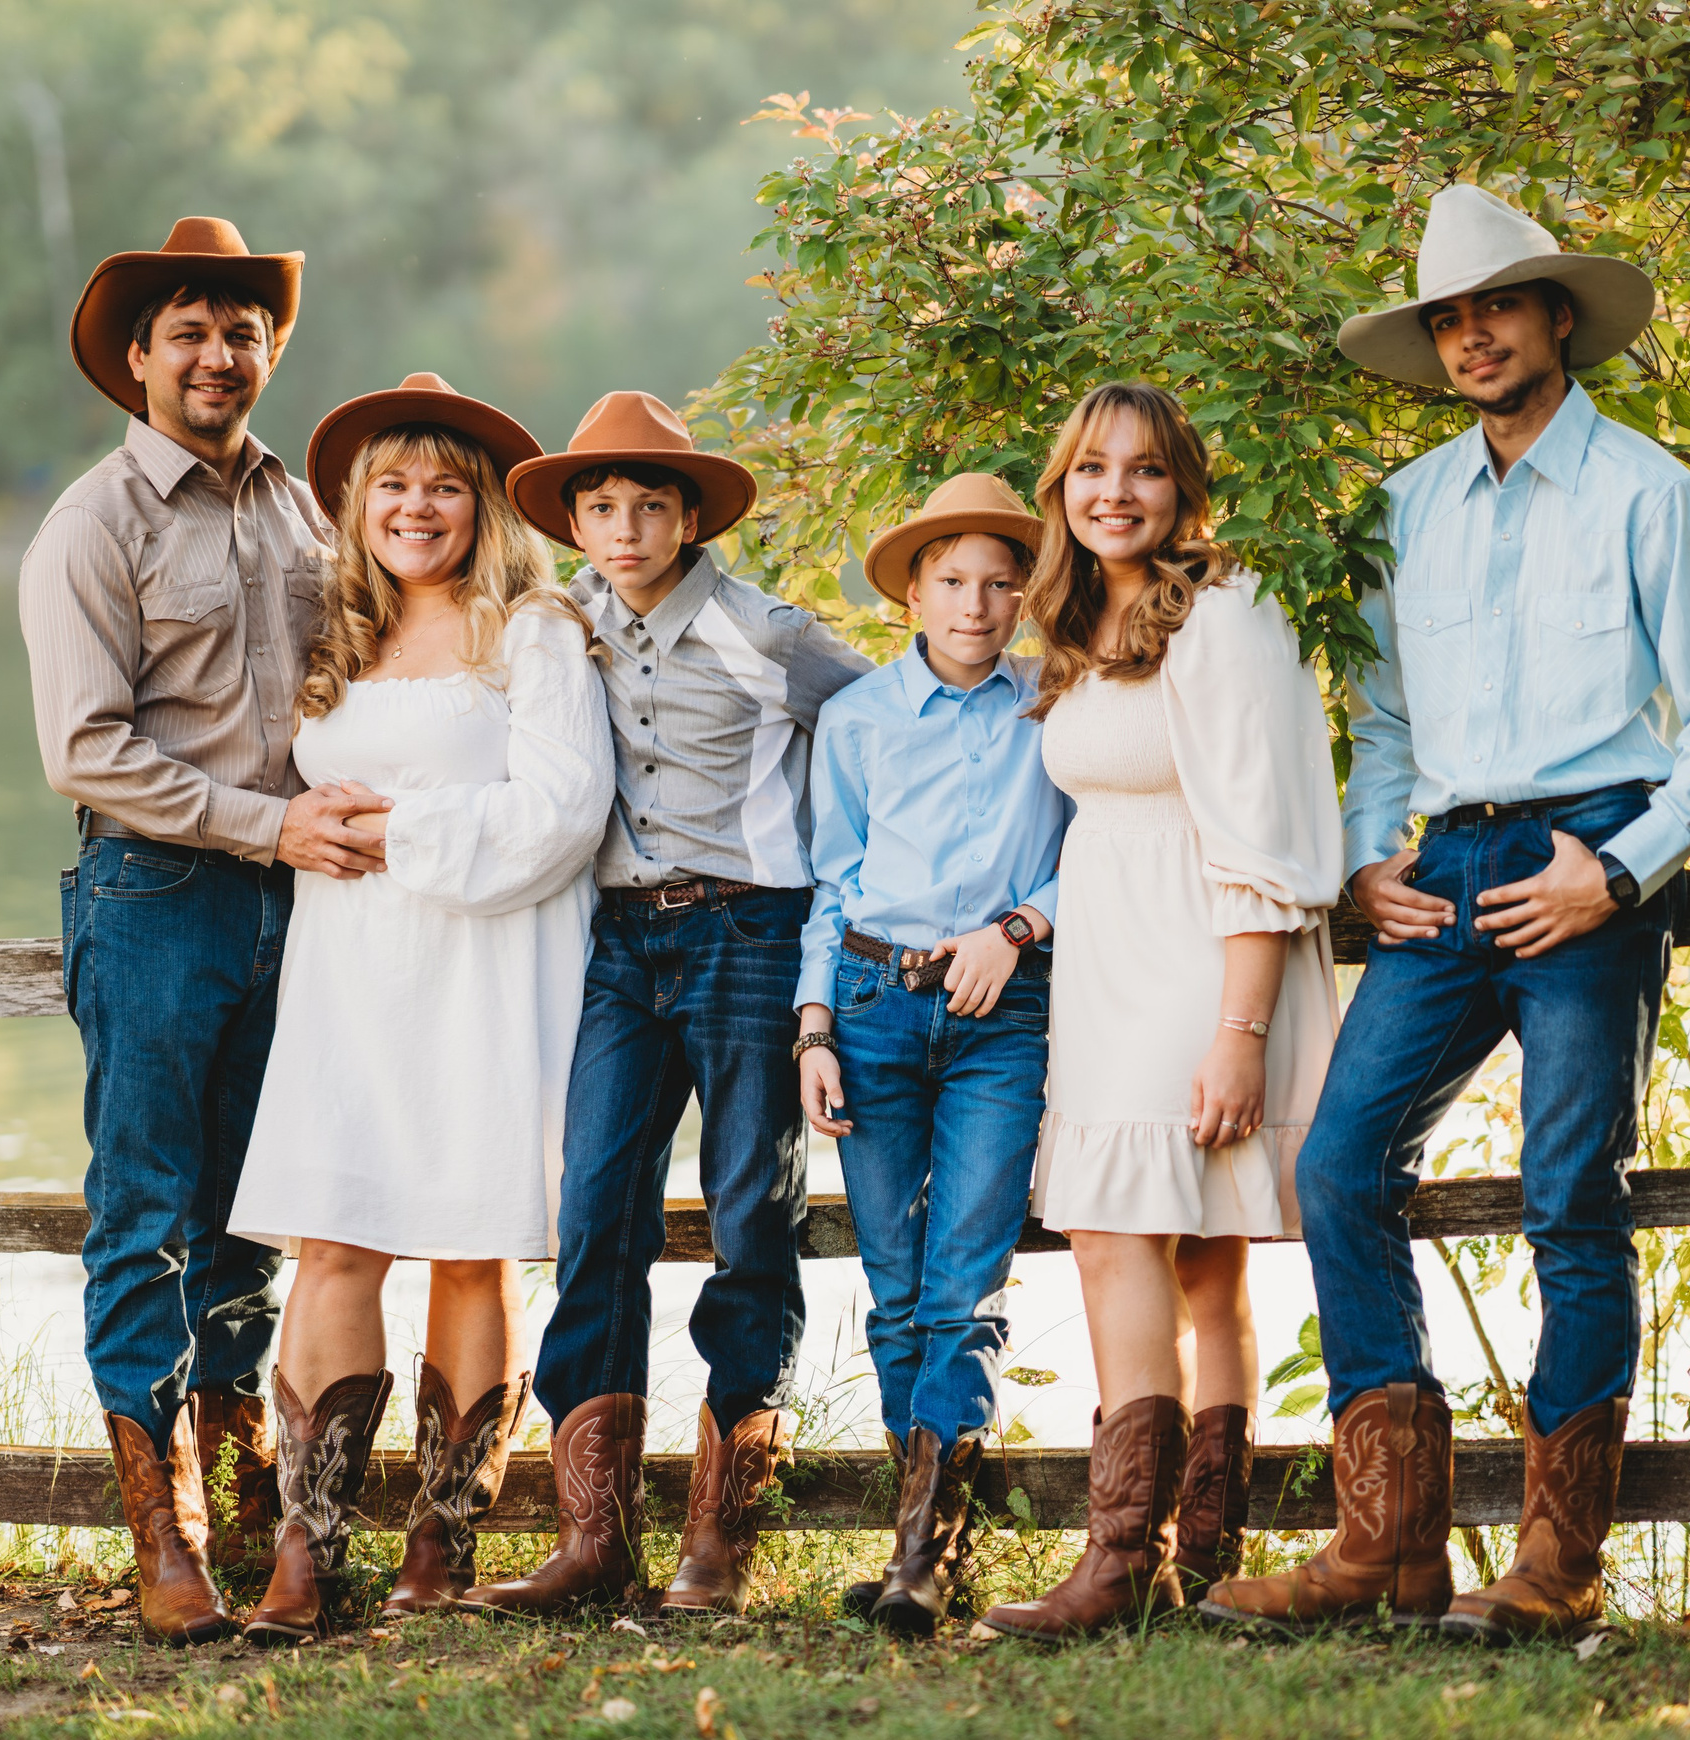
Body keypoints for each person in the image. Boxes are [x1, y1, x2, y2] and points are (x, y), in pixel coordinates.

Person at [1201, 184, 1690, 1643]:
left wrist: (1618, 870)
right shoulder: (1404, 509)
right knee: (1336, 1166)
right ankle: (1386, 1540)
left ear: (1556, 319)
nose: (1470, 337)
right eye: (1448, 320)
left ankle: (1555, 1562)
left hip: (1591, 869)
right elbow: (1384, 720)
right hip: (1442, 878)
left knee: (1571, 1195)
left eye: (1495, 309)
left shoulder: (1655, 494)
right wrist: (1360, 860)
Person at [20, 217, 395, 1645]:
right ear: (137, 359)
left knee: (258, 1216)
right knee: (145, 1222)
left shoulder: (303, 512)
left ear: (270, 351)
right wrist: (265, 827)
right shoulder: (92, 526)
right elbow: (85, 749)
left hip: (301, 907)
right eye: (188, 332)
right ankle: (163, 1539)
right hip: (158, 901)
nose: (217, 354)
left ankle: (252, 1503)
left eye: (241, 332)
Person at [453, 392, 872, 1619]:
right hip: (618, 947)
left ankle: (721, 1531)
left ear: (689, 515)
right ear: (573, 520)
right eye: (598, 507)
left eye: (648, 505)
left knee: (750, 1207)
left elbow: (885, 724)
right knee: (593, 1210)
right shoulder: (558, 625)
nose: (622, 527)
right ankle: (594, 1537)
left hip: (750, 929)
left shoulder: (764, 631)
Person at [218, 374, 614, 1644]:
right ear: (357, 501)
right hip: (349, 980)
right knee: (335, 1240)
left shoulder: (533, 631)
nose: (417, 506)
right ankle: (306, 1547)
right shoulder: (335, 637)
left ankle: (442, 1535)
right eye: (392, 484)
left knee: (467, 1241)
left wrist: (406, 831)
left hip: (486, 966)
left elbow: (566, 813)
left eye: (445, 484)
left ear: (485, 503)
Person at [975, 382, 1344, 1643]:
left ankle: (1125, 1556)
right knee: (1193, 1258)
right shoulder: (1083, 617)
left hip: (1203, 954)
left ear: (1185, 488)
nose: (1113, 491)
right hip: (1112, 950)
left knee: (1116, 1231)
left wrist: (1238, 1028)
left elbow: (1263, 830)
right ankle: (1189, 1558)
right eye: (1089, 469)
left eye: (1142, 470)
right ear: (1060, 491)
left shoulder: (1224, 614)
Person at [793, 474, 1073, 1636]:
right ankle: (923, 1548)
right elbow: (831, 880)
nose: (975, 604)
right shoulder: (857, 720)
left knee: (964, 1281)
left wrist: (1016, 929)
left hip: (998, 1014)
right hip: (869, 1002)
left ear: (1026, 596)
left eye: (1001, 583)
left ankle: (924, 1558)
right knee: (896, 1289)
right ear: (912, 591)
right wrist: (813, 1023)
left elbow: (1098, 852)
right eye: (951, 582)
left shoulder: (1053, 710)